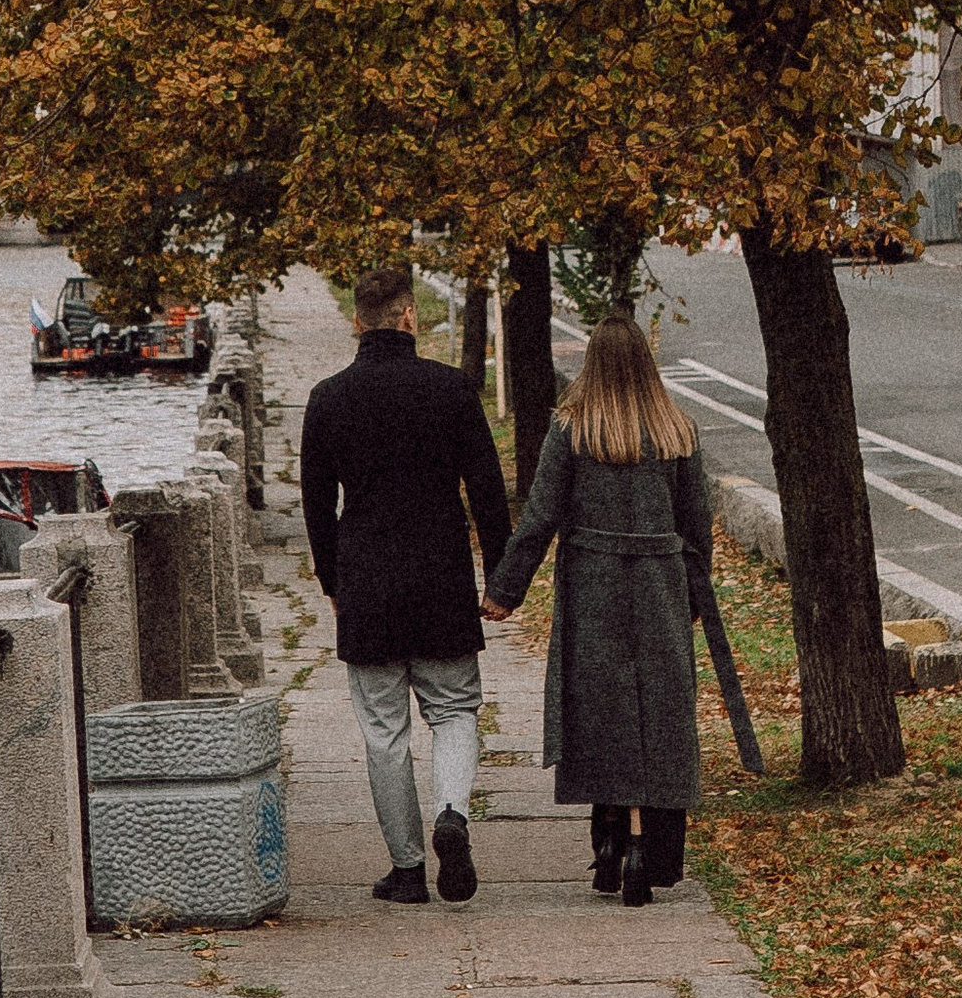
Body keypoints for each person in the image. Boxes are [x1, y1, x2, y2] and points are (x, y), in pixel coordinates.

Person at [481, 312, 711, 907]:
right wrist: (692, 593)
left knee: (602, 712)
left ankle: (609, 841)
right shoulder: (677, 431)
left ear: (591, 363)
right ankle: (645, 848)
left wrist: (505, 590)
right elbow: (696, 529)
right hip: (659, 586)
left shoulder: (572, 430)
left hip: (592, 587)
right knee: (653, 717)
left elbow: (538, 519)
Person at [300, 260, 512, 904]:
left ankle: (408, 868)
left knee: (383, 730)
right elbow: (487, 491)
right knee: (454, 710)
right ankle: (453, 810)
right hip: (440, 574)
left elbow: (315, 504)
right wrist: (501, 577)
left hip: (367, 580)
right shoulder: (452, 390)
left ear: (357, 322)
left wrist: (333, 580)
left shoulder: (328, 399)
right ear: (410, 316)